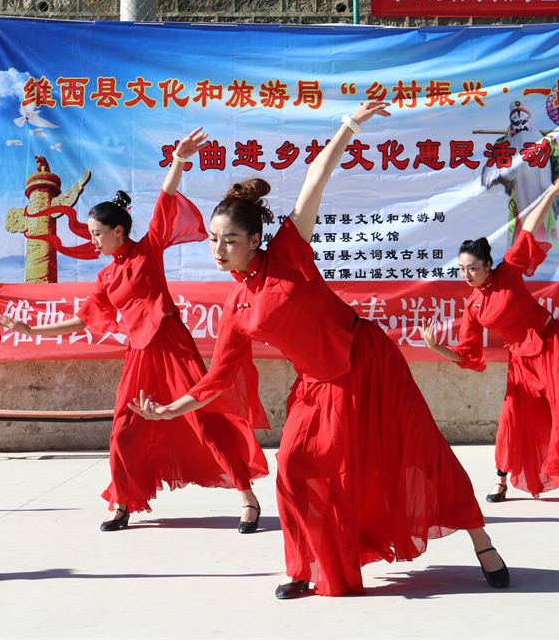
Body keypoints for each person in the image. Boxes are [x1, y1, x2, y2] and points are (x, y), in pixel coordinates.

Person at [129, 102, 510, 599]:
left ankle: (481, 539)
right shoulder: (237, 305)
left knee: (416, 450)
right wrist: (168, 410)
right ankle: (304, 566)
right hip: (317, 385)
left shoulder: (288, 250)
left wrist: (349, 126)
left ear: (255, 239)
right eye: (214, 241)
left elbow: (316, 176)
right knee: (293, 470)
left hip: (368, 361)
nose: (219, 250)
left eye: (231, 241)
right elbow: (218, 377)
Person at [0, 128, 269, 533]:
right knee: (124, 428)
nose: (92, 241)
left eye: (96, 234)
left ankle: (248, 498)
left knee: (204, 420)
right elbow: (84, 318)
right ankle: (121, 502)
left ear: (118, 231)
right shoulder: (106, 276)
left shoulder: (147, 252)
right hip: (139, 354)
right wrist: (30, 328)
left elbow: (165, 202)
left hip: (171, 345)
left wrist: (178, 161)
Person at [421, 170, 559, 506]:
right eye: (462, 269)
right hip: (522, 362)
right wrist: (436, 347)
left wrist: (551, 193)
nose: (467, 275)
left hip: (554, 345)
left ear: (488, 264)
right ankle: (500, 481)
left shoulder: (509, 270)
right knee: (512, 417)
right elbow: (468, 355)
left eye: (473, 268)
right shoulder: (474, 305)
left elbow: (528, 227)